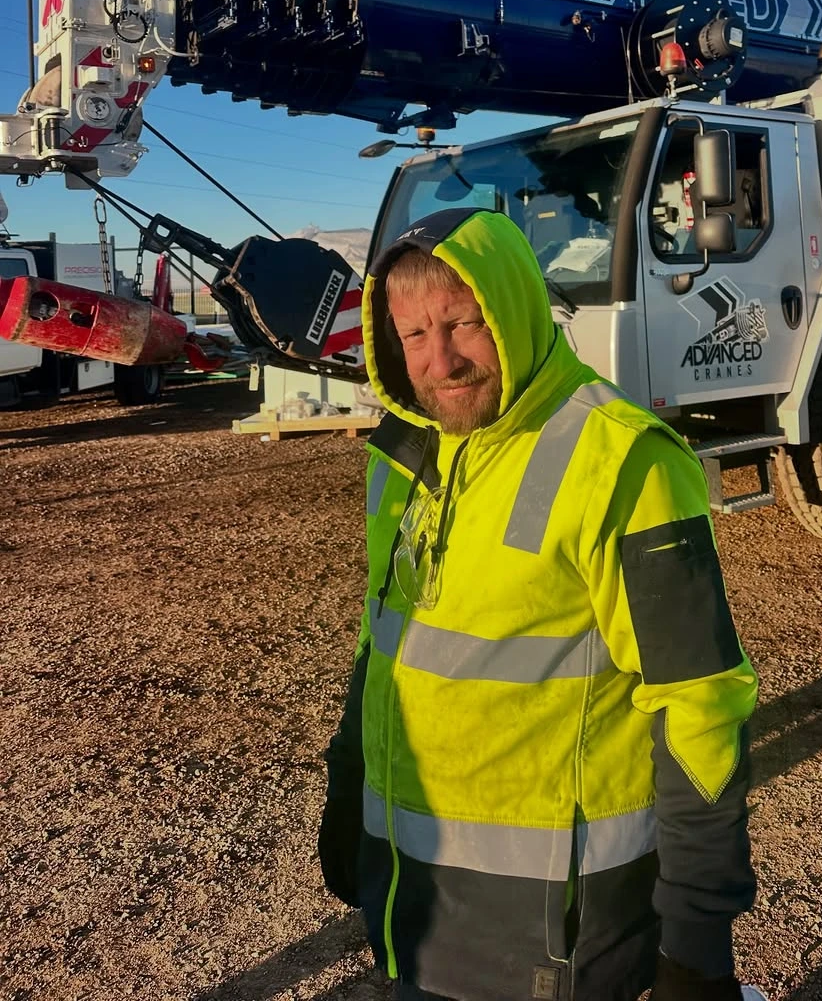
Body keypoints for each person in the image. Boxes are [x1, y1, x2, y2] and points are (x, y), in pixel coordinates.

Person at [318, 207, 760, 1001]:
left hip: (556, 932)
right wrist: (347, 784)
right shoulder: (408, 456)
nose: (440, 361)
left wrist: (696, 943)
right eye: (413, 334)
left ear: (515, 309)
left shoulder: (624, 460)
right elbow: (383, 645)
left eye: (462, 324)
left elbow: (701, 706)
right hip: (414, 911)